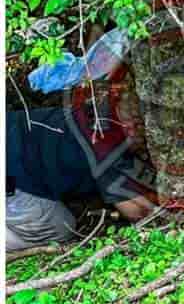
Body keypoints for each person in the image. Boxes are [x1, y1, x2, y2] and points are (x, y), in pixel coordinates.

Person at [6, 88, 157, 252]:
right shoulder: (109, 147)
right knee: (60, 228)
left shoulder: (95, 108)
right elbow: (137, 211)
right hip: (12, 178)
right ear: (133, 127)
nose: (144, 146)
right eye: (145, 140)